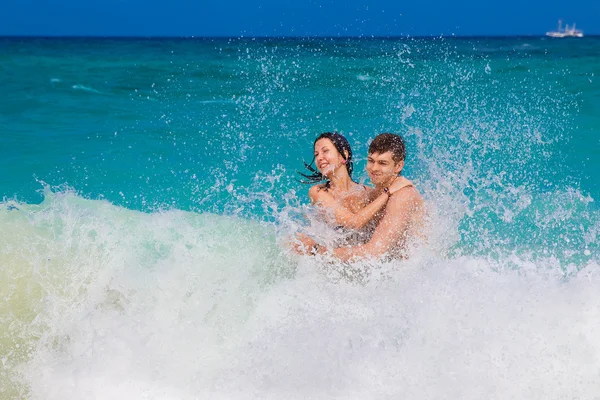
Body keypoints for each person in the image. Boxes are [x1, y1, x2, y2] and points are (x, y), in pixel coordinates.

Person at [296, 133, 425, 261]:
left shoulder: (398, 195)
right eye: (371, 161)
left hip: (407, 271)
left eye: (382, 163)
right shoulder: (373, 195)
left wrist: (316, 250)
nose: (374, 168)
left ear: (344, 155)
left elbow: (374, 250)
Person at [298, 132, 407, 237]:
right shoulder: (318, 192)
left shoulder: (367, 192)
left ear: (344, 155)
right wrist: (388, 192)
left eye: (325, 151)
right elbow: (353, 223)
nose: (319, 158)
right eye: (316, 154)